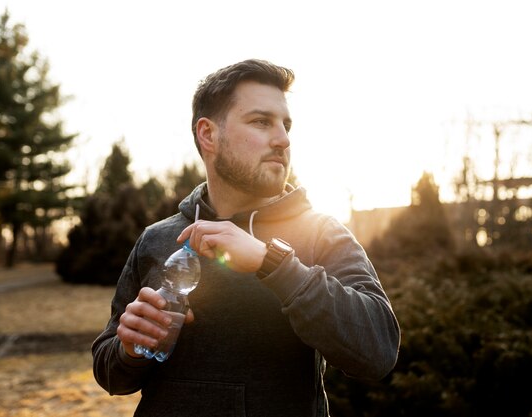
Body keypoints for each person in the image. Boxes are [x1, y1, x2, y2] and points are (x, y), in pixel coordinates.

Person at [92, 59, 400, 417]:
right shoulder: (157, 239)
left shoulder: (320, 232)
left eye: (286, 125)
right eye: (261, 122)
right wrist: (130, 348)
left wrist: (272, 264)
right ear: (208, 134)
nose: (283, 139)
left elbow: (379, 351)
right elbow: (110, 374)